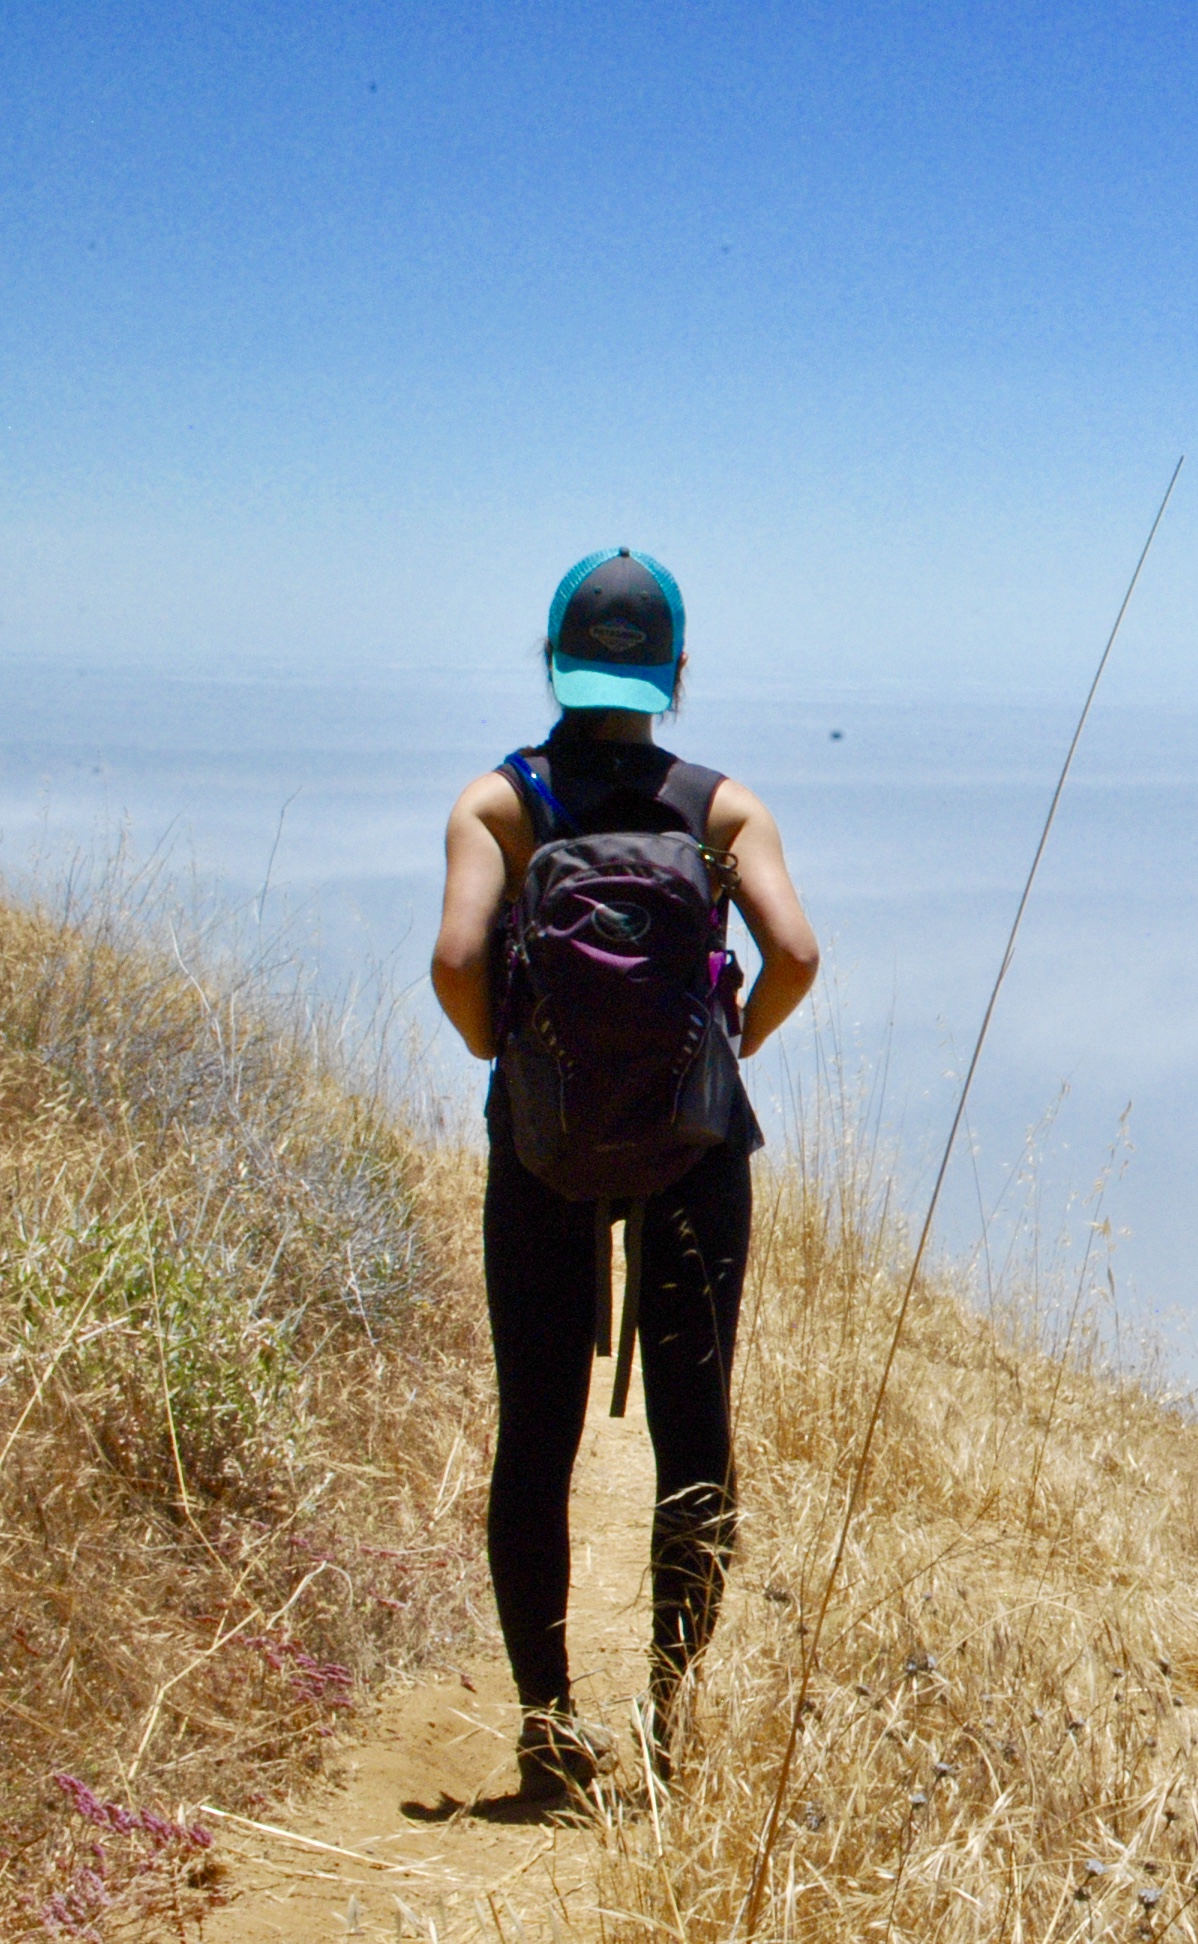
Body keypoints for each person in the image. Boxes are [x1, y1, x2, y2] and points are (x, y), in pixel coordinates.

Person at [429, 548, 819, 1800]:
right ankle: (668, 1721)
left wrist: (511, 1054)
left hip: (539, 1149)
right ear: (676, 674)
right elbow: (798, 953)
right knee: (693, 1436)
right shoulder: (720, 807)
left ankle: (548, 1735)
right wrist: (725, 1049)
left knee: (532, 1436)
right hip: (693, 1152)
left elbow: (452, 960)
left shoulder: (499, 803)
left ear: (551, 657)